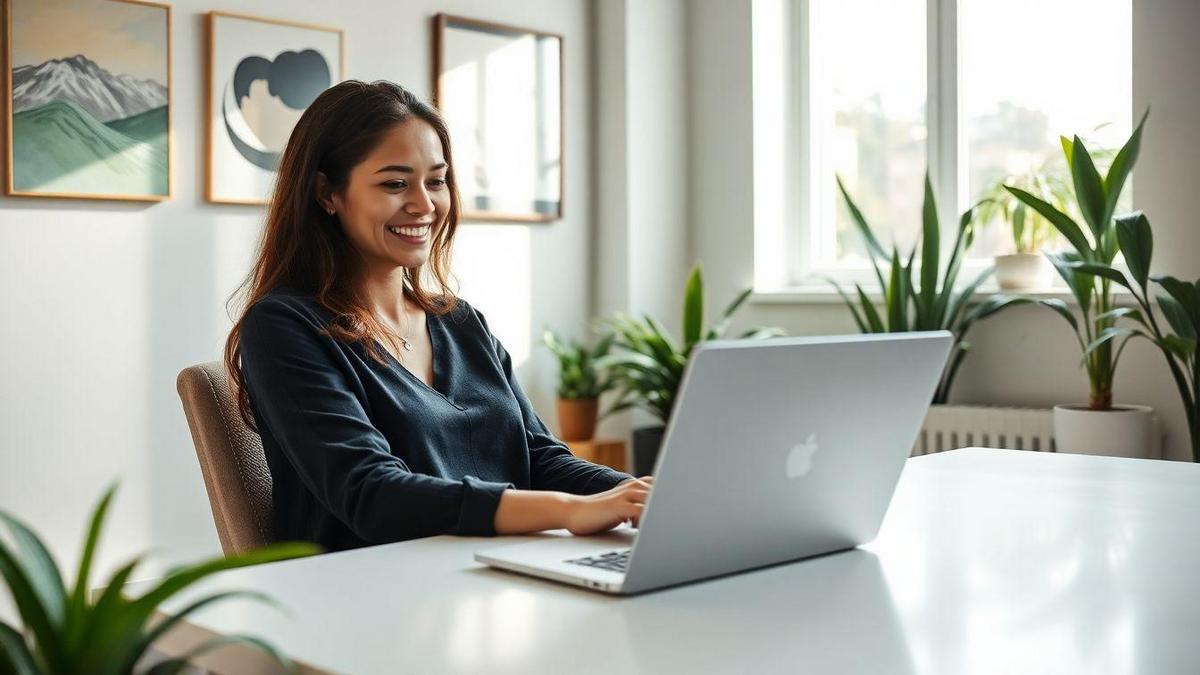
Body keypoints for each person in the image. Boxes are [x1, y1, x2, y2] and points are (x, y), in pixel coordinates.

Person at [223, 80, 652, 553]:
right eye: (394, 184)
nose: (425, 205)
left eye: (436, 180)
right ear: (327, 193)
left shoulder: (461, 323)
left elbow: (538, 457)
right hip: (369, 593)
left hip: (491, 574)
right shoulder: (284, 327)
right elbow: (371, 494)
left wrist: (637, 497)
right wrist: (569, 512)